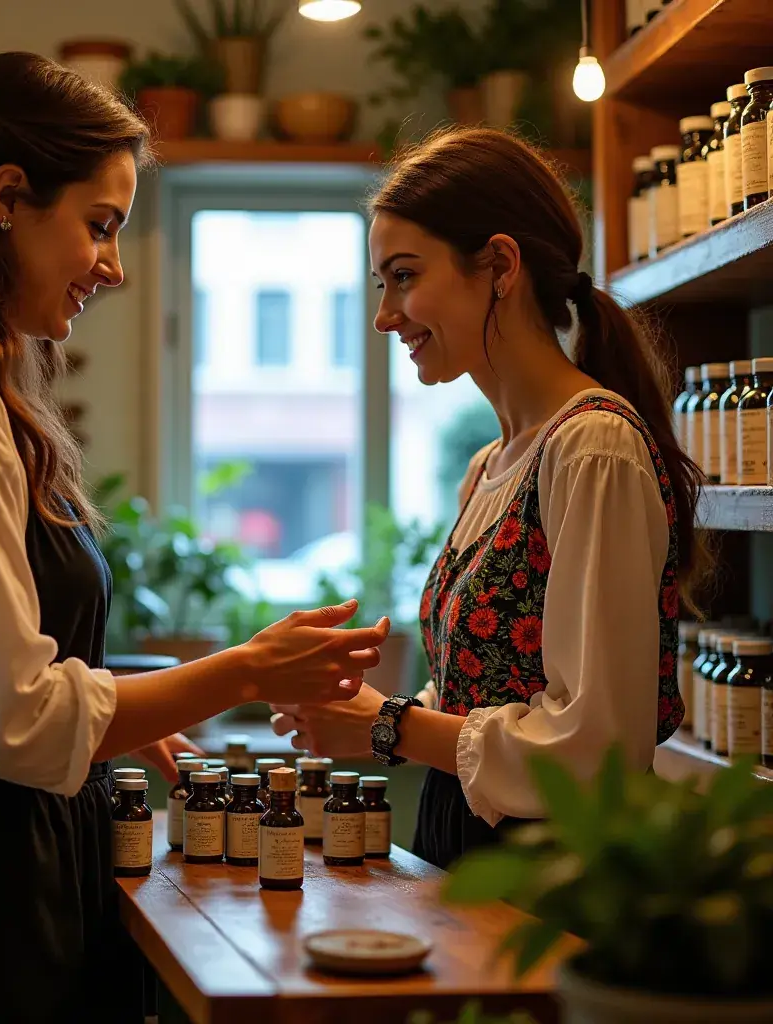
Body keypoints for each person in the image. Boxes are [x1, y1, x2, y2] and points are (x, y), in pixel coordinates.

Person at [0, 52, 389, 1024]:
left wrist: (138, 715)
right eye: (99, 225)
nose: (114, 264)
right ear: (8, 199)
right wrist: (247, 668)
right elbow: (13, 721)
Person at [271, 127, 706, 870]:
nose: (385, 314)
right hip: (466, 844)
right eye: (383, 283)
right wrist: (354, 709)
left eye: (403, 276)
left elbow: (596, 751)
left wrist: (387, 724)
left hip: (553, 872)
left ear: (500, 265)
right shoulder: (491, 464)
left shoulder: (592, 448)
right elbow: (485, 703)